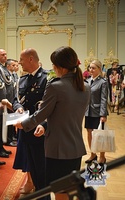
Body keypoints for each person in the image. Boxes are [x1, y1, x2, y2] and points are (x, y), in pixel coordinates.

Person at [15, 46, 90, 200]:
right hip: (75, 148)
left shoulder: (56, 86)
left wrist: (22, 124)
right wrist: (43, 126)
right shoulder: (85, 87)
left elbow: (41, 114)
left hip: (58, 150)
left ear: (59, 67)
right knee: (69, 191)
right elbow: (62, 115)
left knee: (59, 192)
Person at [3, 48, 48, 198]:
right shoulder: (22, 80)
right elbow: (17, 100)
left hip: (39, 130)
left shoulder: (46, 79)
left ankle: (44, 196)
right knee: (31, 166)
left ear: (30, 59)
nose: (19, 63)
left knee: (41, 169)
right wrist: (19, 108)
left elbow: (47, 107)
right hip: (24, 129)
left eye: (21, 60)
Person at [84, 60, 108, 164]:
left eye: (93, 68)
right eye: (90, 68)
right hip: (88, 112)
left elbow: (104, 99)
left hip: (98, 112)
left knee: (100, 135)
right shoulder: (88, 81)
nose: (91, 70)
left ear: (99, 69)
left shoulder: (103, 82)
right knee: (89, 133)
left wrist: (103, 114)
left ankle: (102, 156)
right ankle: (93, 154)